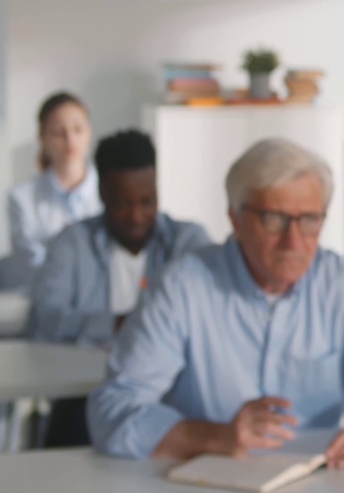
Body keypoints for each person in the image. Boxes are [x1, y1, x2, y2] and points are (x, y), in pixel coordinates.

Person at [88, 138, 344, 467]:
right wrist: (216, 437)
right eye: (273, 219)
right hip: (205, 480)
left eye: (309, 220)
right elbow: (111, 412)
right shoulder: (182, 287)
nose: (294, 240)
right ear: (235, 220)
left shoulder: (342, 283)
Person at [25, 129, 211, 447]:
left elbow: (208, 318)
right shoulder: (72, 243)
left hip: (167, 394)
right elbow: (42, 319)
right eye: (123, 204)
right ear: (101, 193)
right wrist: (117, 323)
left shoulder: (188, 242)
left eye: (147, 201)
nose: (136, 215)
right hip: (84, 395)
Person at [3, 92, 103, 289]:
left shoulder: (109, 191)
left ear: (89, 132)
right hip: (47, 302)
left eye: (78, 129)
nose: (70, 139)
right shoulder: (21, 197)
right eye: (59, 132)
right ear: (41, 136)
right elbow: (31, 262)